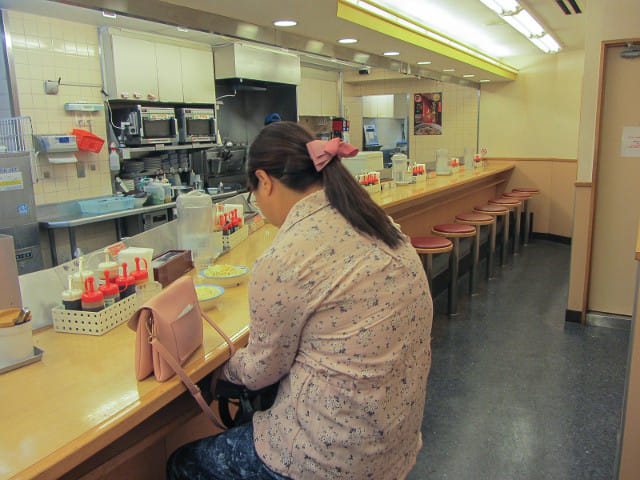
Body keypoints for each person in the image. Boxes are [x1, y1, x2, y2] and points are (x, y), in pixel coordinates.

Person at [167, 121, 433, 480]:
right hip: (395, 446)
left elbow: (261, 370)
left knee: (184, 462)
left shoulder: (284, 260)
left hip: (329, 461)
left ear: (265, 181)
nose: (258, 206)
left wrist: (216, 372)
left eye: (254, 194)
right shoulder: (379, 224)